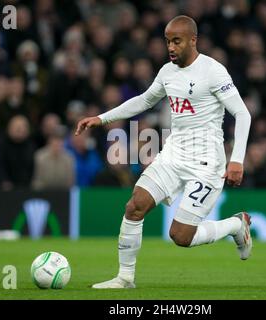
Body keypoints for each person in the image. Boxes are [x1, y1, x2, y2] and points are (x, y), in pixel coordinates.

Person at [75, 15, 252, 289]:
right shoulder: (167, 71)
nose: (171, 47)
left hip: (206, 163)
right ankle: (124, 278)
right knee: (135, 206)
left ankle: (235, 225)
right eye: (168, 41)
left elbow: (242, 113)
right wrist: (102, 118)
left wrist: (237, 159)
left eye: (177, 41)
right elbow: (145, 100)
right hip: (173, 154)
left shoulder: (213, 71)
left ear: (193, 40)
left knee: (180, 236)